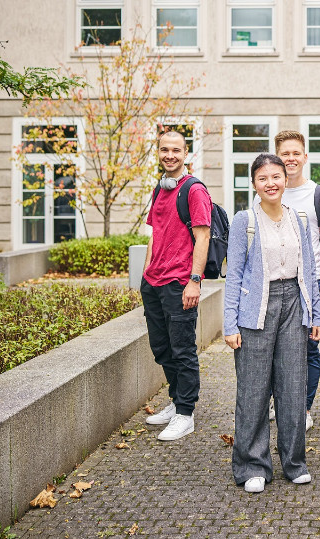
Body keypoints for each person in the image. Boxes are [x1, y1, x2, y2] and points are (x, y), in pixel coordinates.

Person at [223, 153, 320, 494]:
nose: (271, 183)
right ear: (254, 183)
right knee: (253, 390)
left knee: (293, 388)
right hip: (256, 310)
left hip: (294, 303)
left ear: (286, 179)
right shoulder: (244, 221)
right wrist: (230, 324)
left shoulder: (299, 219)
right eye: (263, 178)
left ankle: (294, 463)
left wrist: (316, 315)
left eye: (276, 177)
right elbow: (233, 275)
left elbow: (309, 269)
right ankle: (252, 464)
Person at [142, 130, 211, 442]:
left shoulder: (193, 190)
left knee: (183, 349)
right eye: (164, 150)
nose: (170, 155)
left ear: (186, 154)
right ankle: (175, 400)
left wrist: (194, 281)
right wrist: (145, 274)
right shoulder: (160, 188)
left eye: (176, 150)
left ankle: (185, 413)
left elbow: (203, 237)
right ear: (158, 152)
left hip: (179, 281)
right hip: (154, 282)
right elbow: (155, 233)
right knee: (162, 348)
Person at [273, 130, 320, 431]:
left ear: (304, 157)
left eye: (295, 153)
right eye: (285, 153)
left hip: (310, 282)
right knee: (278, 348)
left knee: (308, 348)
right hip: (276, 282)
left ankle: (304, 408)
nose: (290, 158)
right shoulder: (271, 190)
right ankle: (284, 402)